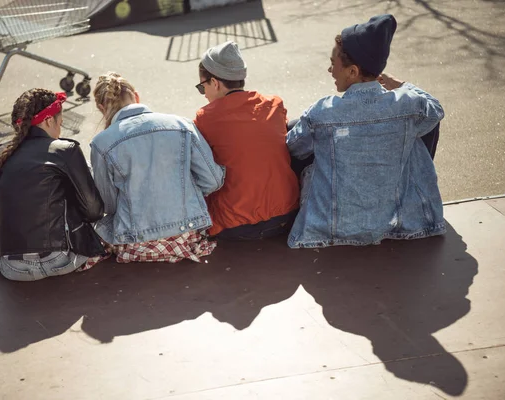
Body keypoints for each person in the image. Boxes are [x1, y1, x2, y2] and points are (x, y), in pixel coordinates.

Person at [286, 14, 445, 249]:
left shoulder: (323, 111)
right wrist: (400, 85)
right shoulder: (409, 104)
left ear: (352, 71)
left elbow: (294, 148)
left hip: (330, 226)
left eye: (333, 63)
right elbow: (436, 111)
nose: (330, 70)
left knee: (296, 130)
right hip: (400, 223)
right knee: (415, 132)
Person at [0, 89, 106, 281]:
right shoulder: (65, 150)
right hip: (62, 261)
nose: (59, 130)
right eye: (60, 124)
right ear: (49, 120)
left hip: (13, 268)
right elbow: (94, 211)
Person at [91, 72, 225, 263]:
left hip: (135, 242)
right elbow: (212, 181)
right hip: (185, 237)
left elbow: (109, 205)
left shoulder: (102, 143)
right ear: (136, 96)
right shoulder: (181, 124)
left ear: (101, 108)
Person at [194, 41, 300, 240]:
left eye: (202, 87)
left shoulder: (205, 117)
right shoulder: (273, 104)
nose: (204, 95)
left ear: (215, 82)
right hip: (286, 214)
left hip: (235, 225)